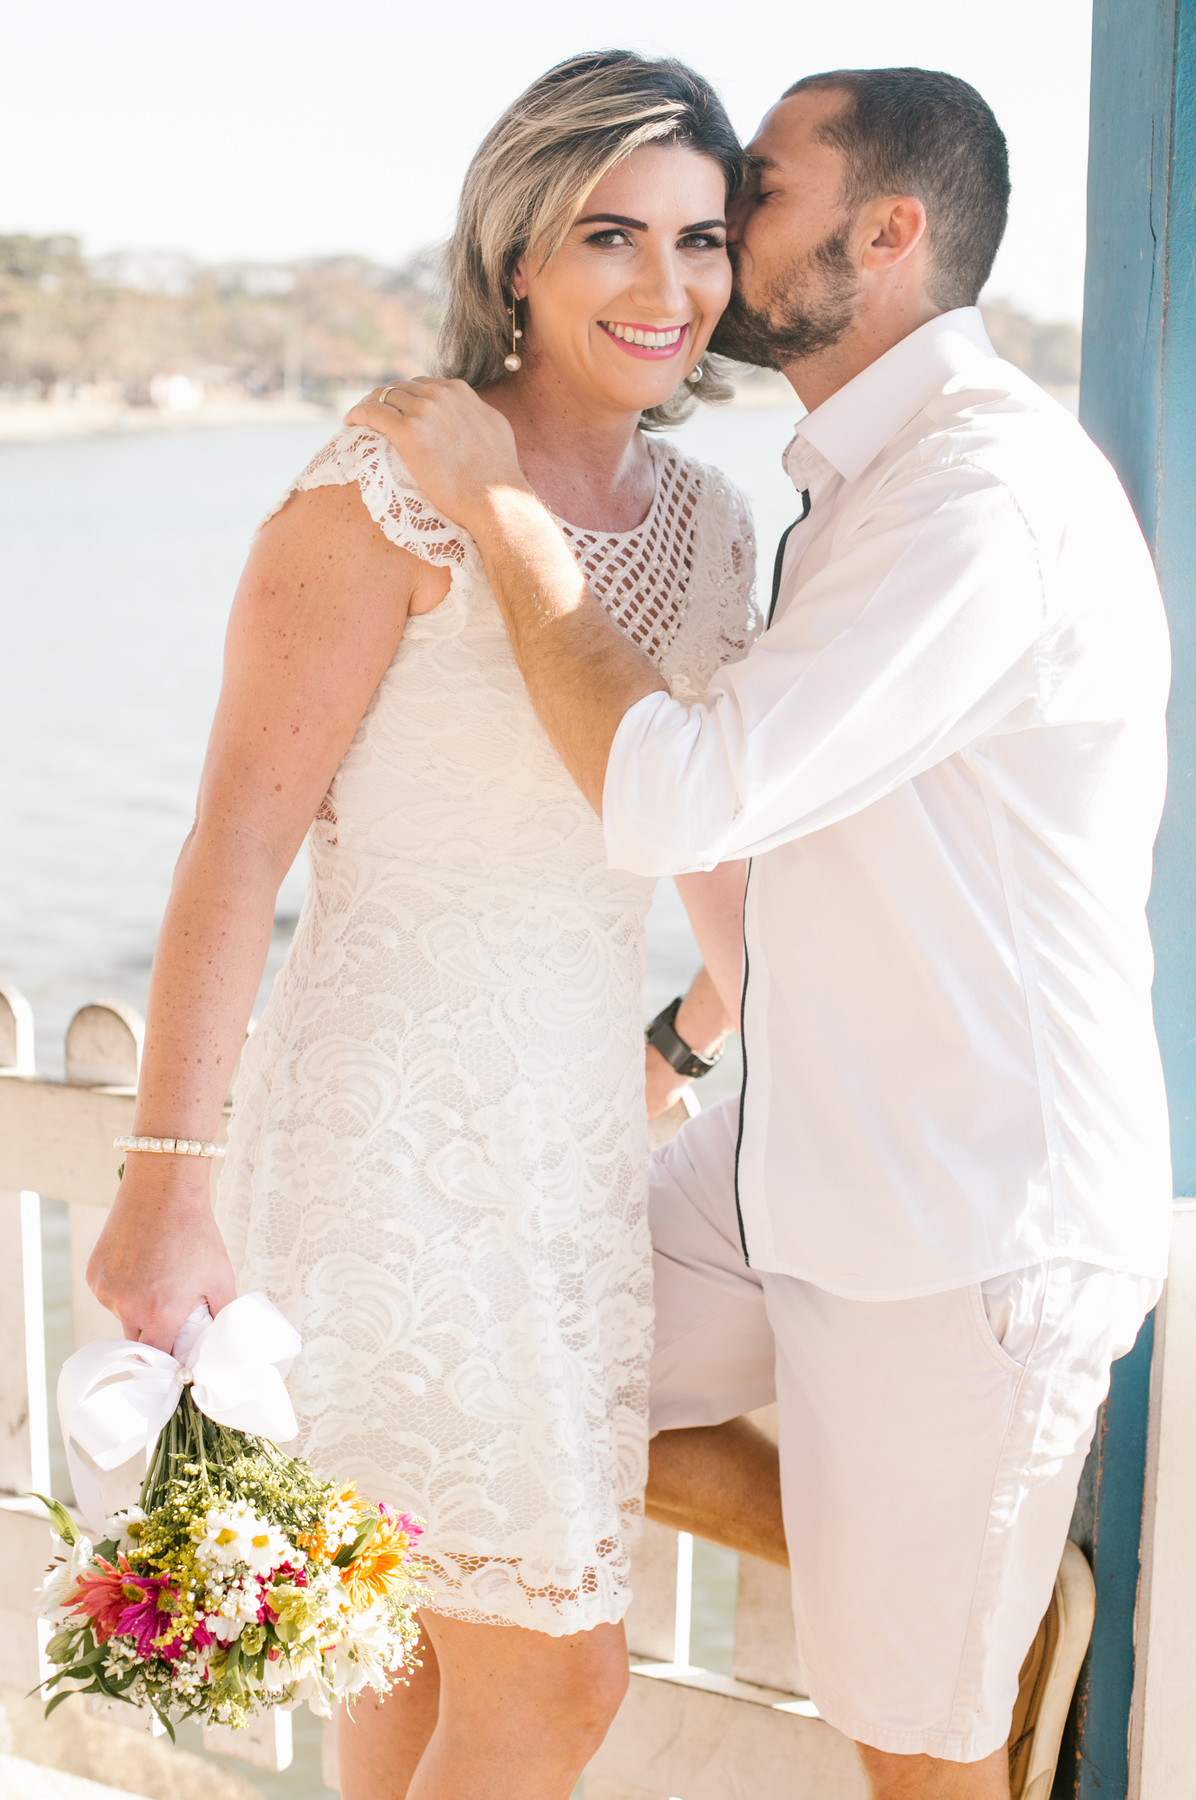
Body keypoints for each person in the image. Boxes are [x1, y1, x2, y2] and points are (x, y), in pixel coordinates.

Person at [345, 66, 1173, 1800]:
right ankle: (920, 1569)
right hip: (784, 1158)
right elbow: (830, 852)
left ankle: (948, 1602)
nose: (715, 228)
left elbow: (678, 795)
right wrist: (688, 1038)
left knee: (919, 1765)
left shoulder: (979, 497)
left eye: (758, 196)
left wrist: (503, 510)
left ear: (887, 234)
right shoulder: (860, 477)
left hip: (966, 1225)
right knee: (476, 1387)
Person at [86, 51, 763, 1800]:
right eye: (611, 233)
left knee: (397, 1663)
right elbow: (235, 846)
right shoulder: (376, 489)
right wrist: (168, 1182)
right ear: (518, 253)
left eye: (700, 238)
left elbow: (706, 830)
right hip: (380, 1153)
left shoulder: (715, 526)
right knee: (556, 1685)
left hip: (571, 1169)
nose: (667, 284)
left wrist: (685, 1042)